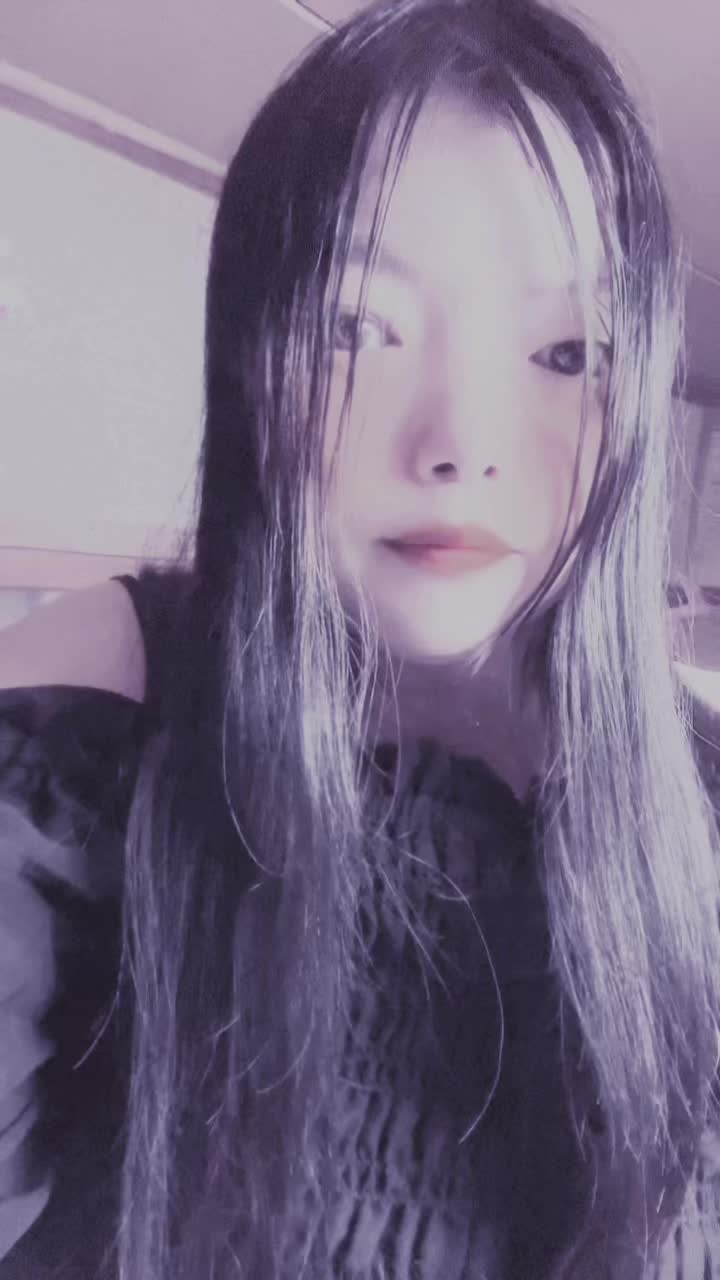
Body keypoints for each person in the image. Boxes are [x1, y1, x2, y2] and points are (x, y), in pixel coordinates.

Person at [1, 0, 720, 1275]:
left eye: (567, 351)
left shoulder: (698, 799)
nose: (460, 443)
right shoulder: (105, 701)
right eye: (355, 329)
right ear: (249, 361)